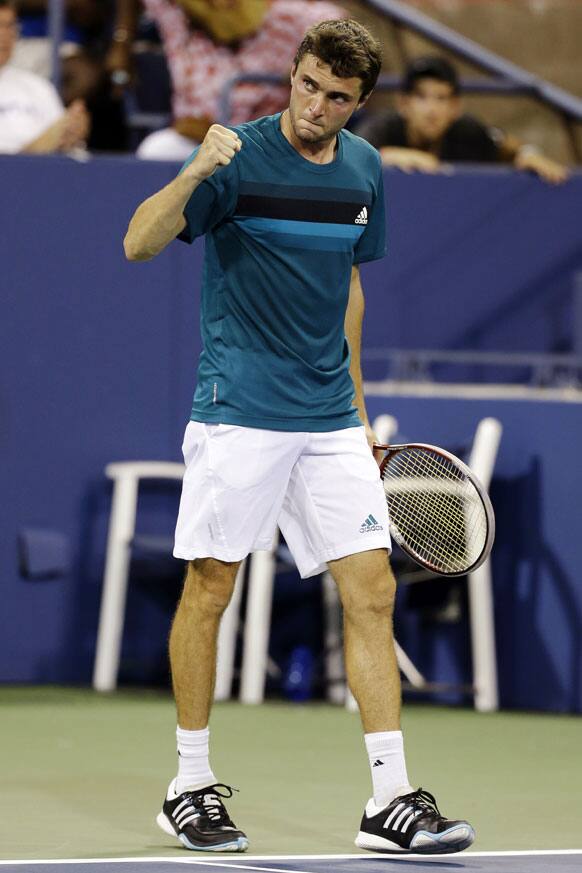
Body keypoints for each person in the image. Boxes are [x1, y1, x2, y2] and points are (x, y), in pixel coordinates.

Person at [124, 18, 475, 855]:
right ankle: (190, 783)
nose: (315, 107)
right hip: (238, 406)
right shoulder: (234, 155)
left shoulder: (363, 168)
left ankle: (390, 799)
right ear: (293, 72)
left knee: (373, 591)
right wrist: (194, 173)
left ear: (360, 105)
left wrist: (357, 412)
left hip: (327, 419)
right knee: (212, 585)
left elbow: (346, 291)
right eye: (307, 85)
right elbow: (138, 242)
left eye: (337, 98)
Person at [108, 0, 344, 160]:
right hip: (195, 141)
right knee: (157, 150)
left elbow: (339, 29)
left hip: (265, 145)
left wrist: (309, 68)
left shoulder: (286, 16)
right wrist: (122, 43)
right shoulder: (182, 21)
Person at [355, 55, 568, 184]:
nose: (432, 109)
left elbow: (506, 146)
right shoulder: (382, 128)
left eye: (441, 98)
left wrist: (528, 154)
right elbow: (348, 157)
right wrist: (385, 156)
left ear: (455, 107)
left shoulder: (467, 131)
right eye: (421, 97)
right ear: (403, 104)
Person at [0, 0, 89, 154]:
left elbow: (69, 151)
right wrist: (39, 147)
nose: (5, 35)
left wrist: (70, 134)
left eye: (10, 26)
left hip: (43, 173)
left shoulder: (38, 87)